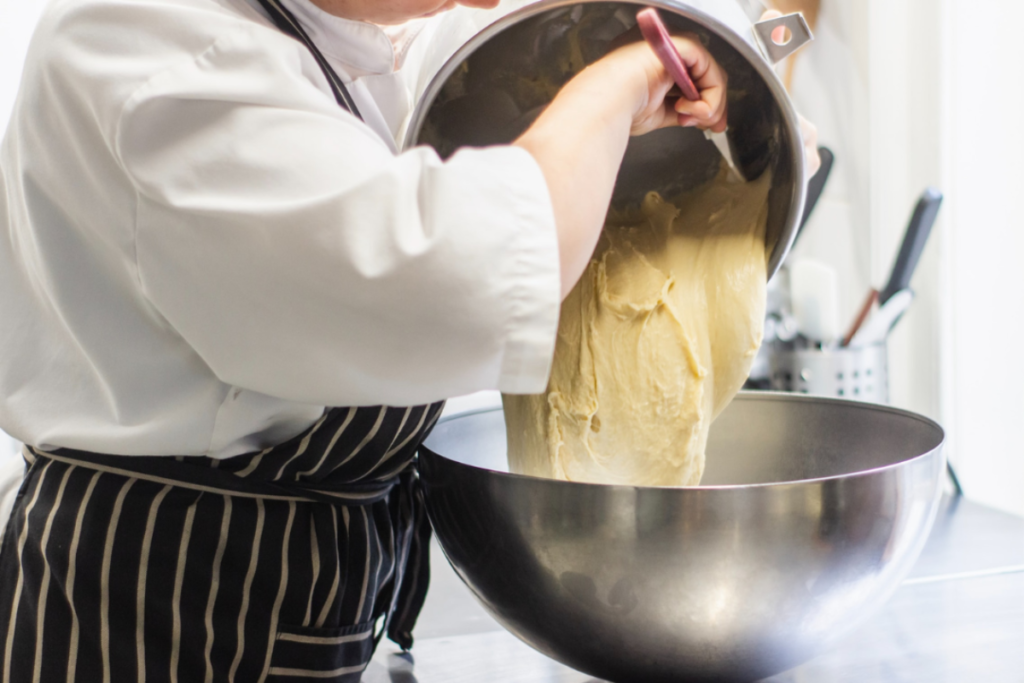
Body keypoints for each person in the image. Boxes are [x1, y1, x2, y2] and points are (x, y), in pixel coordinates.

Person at [0, 0, 814, 680]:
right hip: (146, 610)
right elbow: (441, 279)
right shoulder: (156, 46)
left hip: (291, 602)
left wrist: (716, 48)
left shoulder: (330, 39)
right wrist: (619, 82)